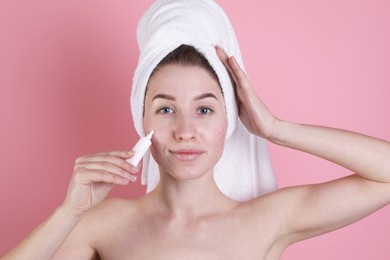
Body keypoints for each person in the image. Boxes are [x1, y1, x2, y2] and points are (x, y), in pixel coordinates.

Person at [3, 4, 390, 260]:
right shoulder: (102, 225)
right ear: (143, 123)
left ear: (230, 120)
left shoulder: (267, 220)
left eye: (204, 109)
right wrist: (68, 213)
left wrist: (276, 129)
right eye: (166, 109)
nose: (185, 131)